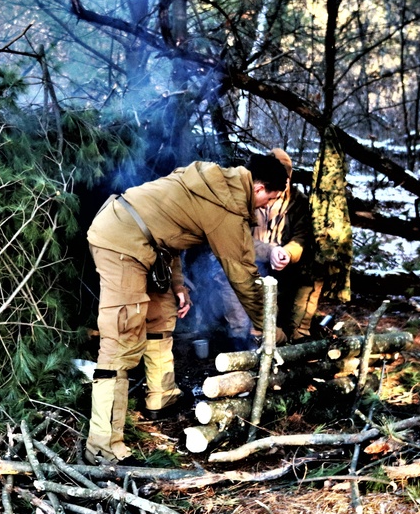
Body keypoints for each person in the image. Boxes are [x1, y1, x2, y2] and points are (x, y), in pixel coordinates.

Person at [84, 153, 291, 465]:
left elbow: (171, 233)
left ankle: (161, 396)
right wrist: (267, 325)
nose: (265, 208)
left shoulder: (220, 185)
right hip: (120, 240)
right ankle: (102, 445)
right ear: (259, 188)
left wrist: (177, 284)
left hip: (151, 245)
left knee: (161, 314)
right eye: (268, 200)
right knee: (121, 338)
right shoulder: (228, 205)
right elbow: (242, 275)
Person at [221, 149, 319, 347]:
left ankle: (291, 339)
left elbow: (301, 237)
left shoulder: (298, 202)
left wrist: (287, 253)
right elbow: (238, 239)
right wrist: (269, 250)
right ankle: (239, 342)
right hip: (248, 260)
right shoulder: (245, 196)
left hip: (283, 267)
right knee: (230, 283)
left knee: (307, 282)